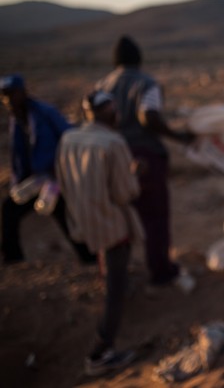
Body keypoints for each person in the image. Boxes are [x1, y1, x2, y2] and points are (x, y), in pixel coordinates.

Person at [95, 36, 195, 293]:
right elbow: (148, 115)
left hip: (109, 157)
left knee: (115, 216)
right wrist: (177, 136)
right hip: (144, 156)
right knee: (154, 216)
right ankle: (160, 272)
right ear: (139, 59)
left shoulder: (102, 86)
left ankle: (114, 276)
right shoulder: (146, 83)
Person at [56, 91, 141, 376]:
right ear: (109, 112)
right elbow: (125, 192)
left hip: (84, 220)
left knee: (111, 273)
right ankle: (100, 353)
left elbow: (62, 182)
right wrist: (137, 174)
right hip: (112, 224)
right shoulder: (114, 143)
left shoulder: (68, 139)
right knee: (115, 290)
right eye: (114, 109)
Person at [1, 74, 96, 265]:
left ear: (22, 92)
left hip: (55, 177)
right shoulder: (16, 120)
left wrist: (62, 168)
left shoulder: (44, 113)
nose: (8, 99)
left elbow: (68, 137)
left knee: (64, 218)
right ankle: (13, 259)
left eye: (11, 94)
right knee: (10, 210)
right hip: (34, 180)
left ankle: (89, 260)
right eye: (4, 96)